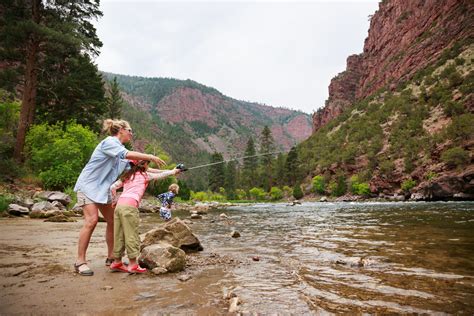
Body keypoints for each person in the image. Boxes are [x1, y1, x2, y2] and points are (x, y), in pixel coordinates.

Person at [73, 119, 166, 276]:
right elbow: (127, 154)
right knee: (92, 221)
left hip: (103, 191)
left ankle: (112, 258)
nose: (131, 134)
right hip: (87, 186)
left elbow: (142, 170)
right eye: (130, 130)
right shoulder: (109, 142)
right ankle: (80, 261)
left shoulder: (122, 152)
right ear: (121, 130)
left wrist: (172, 171)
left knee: (113, 221)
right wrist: (150, 156)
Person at [109, 160, 182, 274]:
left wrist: (114, 201)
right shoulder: (145, 175)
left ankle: (117, 262)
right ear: (143, 165)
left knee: (119, 234)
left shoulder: (127, 175)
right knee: (131, 235)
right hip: (130, 207)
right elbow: (160, 175)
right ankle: (133, 265)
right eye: (147, 163)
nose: (148, 166)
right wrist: (173, 171)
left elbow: (112, 187)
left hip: (119, 206)